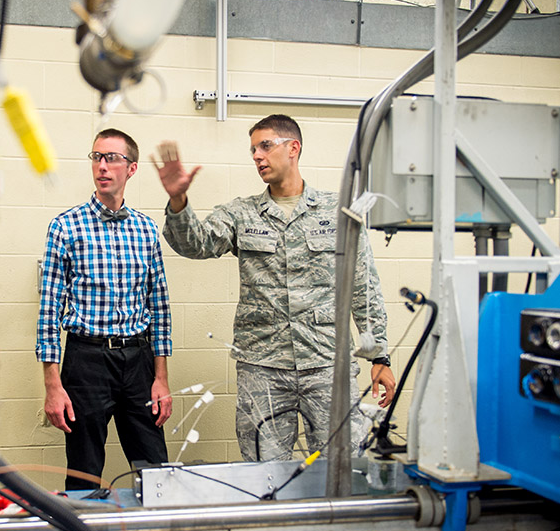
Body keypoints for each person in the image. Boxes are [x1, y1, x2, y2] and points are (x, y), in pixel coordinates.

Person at [152, 114, 395, 462]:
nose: (257, 156)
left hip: (327, 365)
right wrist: (178, 202)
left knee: (343, 468)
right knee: (265, 473)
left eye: (265, 146)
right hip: (262, 369)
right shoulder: (241, 213)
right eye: (253, 149)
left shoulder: (339, 211)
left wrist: (379, 356)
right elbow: (197, 244)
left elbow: (364, 286)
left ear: (293, 148)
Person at [36, 128, 173, 490]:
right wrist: (52, 385)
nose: (102, 166)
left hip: (139, 361)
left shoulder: (146, 229)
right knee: (83, 469)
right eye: (97, 157)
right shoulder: (65, 227)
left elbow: (159, 306)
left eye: (112, 158)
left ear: (131, 169)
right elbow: (49, 309)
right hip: (87, 362)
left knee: (155, 470)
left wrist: (161, 378)